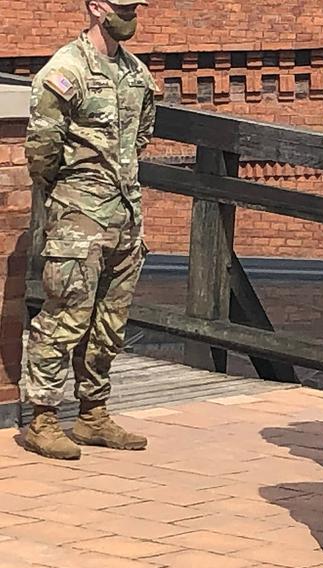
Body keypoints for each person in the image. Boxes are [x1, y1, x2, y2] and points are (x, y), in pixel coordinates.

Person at [23, 0, 157, 460]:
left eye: (135, 6)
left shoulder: (137, 73)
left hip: (125, 216)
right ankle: (41, 418)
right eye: (122, 7)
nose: (131, 15)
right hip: (79, 216)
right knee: (64, 318)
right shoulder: (66, 70)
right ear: (96, 7)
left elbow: (140, 137)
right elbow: (42, 150)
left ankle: (92, 414)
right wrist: (72, 192)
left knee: (109, 323)